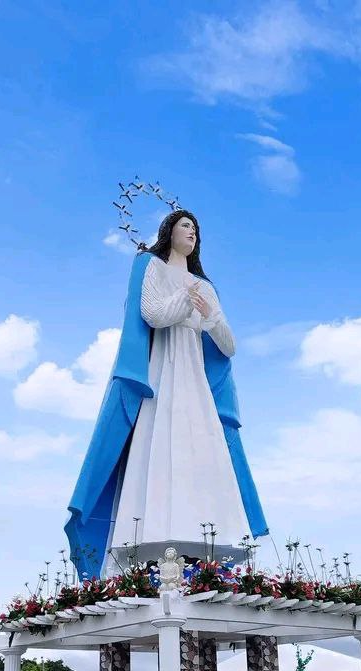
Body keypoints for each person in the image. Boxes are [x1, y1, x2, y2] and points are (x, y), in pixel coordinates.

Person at [65, 208, 268, 577]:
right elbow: (153, 314)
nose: (191, 232)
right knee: (157, 443)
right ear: (169, 232)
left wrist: (211, 316)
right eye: (184, 226)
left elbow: (229, 345)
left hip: (194, 375)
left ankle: (206, 538)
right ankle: (153, 534)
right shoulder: (152, 268)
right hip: (162, 369)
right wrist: (184, 302)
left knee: (201, 447)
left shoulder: (205, 286)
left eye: (195, 228)